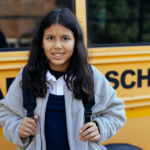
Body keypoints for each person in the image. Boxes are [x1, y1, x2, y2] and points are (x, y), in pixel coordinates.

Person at [0, 8, 126, 150]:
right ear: (41, 42)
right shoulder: (28, 75)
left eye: (65, 38)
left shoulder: (90, 76)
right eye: (50, 38)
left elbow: (116, 111)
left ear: (75, 42)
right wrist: (18, 127)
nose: (57, 46)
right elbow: (6, 112)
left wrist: (100, 127)